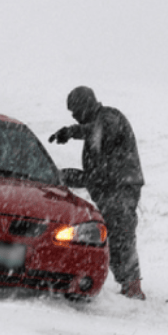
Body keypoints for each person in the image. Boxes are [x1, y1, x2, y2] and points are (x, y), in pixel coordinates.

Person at [49, 86, 146, 300]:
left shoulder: (110, 117)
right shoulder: (95, 128)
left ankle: (132, 286)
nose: (74, 115)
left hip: (121, 187)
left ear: (86, 104)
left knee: (121, 233)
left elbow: (99, 131)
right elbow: (94, 174)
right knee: (111, 235)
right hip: (110, 187)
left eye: (75, 110)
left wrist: (71, 132)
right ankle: (128, 283)